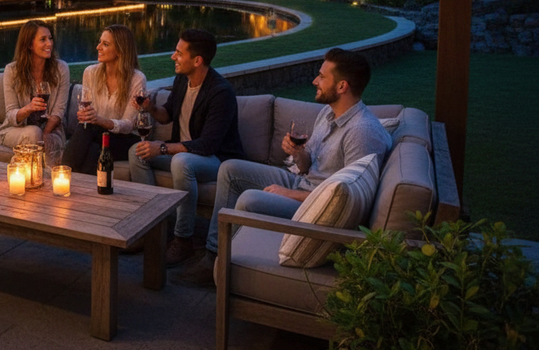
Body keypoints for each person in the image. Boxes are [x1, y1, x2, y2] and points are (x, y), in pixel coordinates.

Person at [181, 47, 393, 287]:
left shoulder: (362, 132)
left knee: (250, 200)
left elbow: (346, 199)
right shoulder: (328, 113)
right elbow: (307, 164)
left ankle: (225, 265)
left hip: (312, 204)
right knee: (230, 170)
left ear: (342, 86)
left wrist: (289, 194)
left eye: (322, 76)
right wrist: (298, 153)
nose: (315, 80)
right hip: (302, 182)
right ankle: (213, 253)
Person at [128, 29, 244, 267]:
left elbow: (207, 144)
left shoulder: (220, 92)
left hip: (215, 160)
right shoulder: (182, 80)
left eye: (179, 53)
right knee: (136, 153)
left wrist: (162, 148)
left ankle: (183, 239)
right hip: (184, 153)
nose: (173, 57)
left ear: (197, 60)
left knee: (182, 161)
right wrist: (150, 108)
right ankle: (151, 227)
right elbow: (167, 114)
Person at [63, 24, 146, 174]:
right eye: (100, 42)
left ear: (120, 51)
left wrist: (99, 120)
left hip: (124, 139)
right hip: (96, 137)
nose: (98, 47)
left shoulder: (136, 79)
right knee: (93, 145)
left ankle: (62, 175)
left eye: (105, 44)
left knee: (88, 132)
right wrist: (85, 116)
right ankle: (83, 191)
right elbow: (86, 115)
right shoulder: (90, 73)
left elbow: (128, 125)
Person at [0, 19, 71, 149]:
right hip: (18, 130)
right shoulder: (12, 71)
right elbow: (11, 114)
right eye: (43, 39)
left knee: (43, 139)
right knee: (33, 133)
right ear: (29, 45)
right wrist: (28, 108)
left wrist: (44, 136)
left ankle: (22, 167)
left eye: (50, 38)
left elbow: (58, 113)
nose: (49, 44)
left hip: (51, 130)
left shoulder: (61, 69)